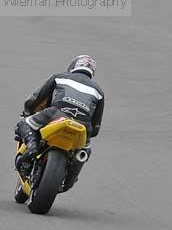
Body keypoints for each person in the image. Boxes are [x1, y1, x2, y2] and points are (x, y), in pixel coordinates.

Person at [15, 54, 105, 182]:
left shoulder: (60, 77)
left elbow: (36, 98)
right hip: (83, 125)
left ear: (73, 65)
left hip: (55, 113)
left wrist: (28, 111)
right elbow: (96, 126)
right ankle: (71, 177)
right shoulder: (99, 91)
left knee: (23, 124)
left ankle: (32, 147)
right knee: (85, 149)